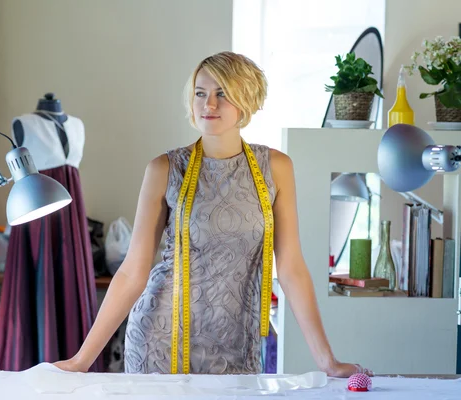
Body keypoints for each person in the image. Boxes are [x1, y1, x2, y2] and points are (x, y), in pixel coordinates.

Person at [54, 51, 372, 377]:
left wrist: (326, 362)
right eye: (201, 93)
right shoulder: (165, 169)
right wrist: (81, 360)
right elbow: (132, 272)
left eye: (222, 94)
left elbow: (291, 268)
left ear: (246, 100)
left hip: (236, 345)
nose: (209, 105)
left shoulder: (275, 168)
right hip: (161, 342)